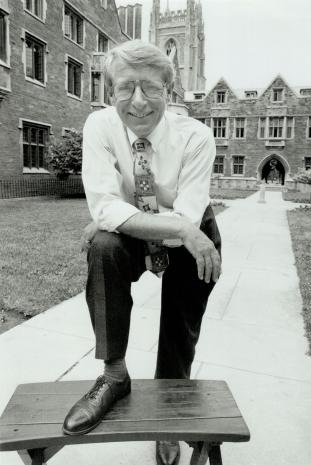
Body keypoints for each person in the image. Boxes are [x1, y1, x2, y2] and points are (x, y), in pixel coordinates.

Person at [62, 40, 222, 465]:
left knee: (179, 328)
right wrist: (109, 217)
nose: (137, 102)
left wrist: (116, 213)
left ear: (169, 93)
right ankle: (114, 376)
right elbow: (104, 206)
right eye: (125, 88)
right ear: (110, 91)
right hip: (155, 230)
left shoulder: (197, 136)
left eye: (150, 88)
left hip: (194, 240)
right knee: (103, 245)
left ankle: (167, 417)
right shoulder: (98, 126)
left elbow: (188, 216)